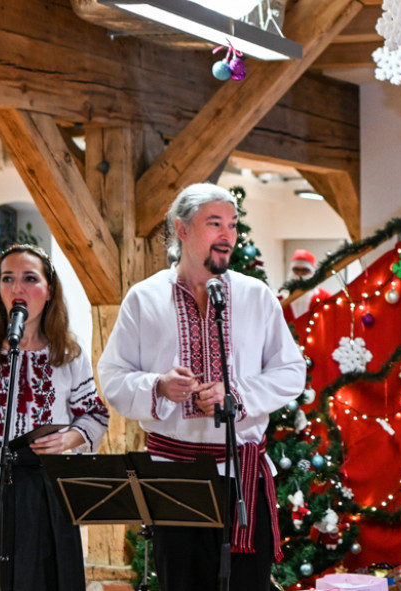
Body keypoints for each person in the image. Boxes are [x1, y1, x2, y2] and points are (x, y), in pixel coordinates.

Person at [97, 182, 306, 591]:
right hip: (174, 476)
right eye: (215, 223)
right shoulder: (144, 298)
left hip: (242, 474)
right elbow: (113, 375)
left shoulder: (255, 296)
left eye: (232, 224)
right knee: (182, 583)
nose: (227, 235)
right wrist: (157, 386)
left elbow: (291, 372)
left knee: (246, 585)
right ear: (183, 229)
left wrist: (239, 396)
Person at [0, 244, 110, 591]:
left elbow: (95, 414)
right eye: (7, 278)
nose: (17, 289)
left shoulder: (68, 352)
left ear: (49, 289)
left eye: (30, 278)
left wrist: (72, 437)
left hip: (44, 488)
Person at [283, 249, 331, 322]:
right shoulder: (282, 297)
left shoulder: (324, 297)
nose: (300, 274)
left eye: (304, 270)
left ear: (312, 272)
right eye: (296, 269)